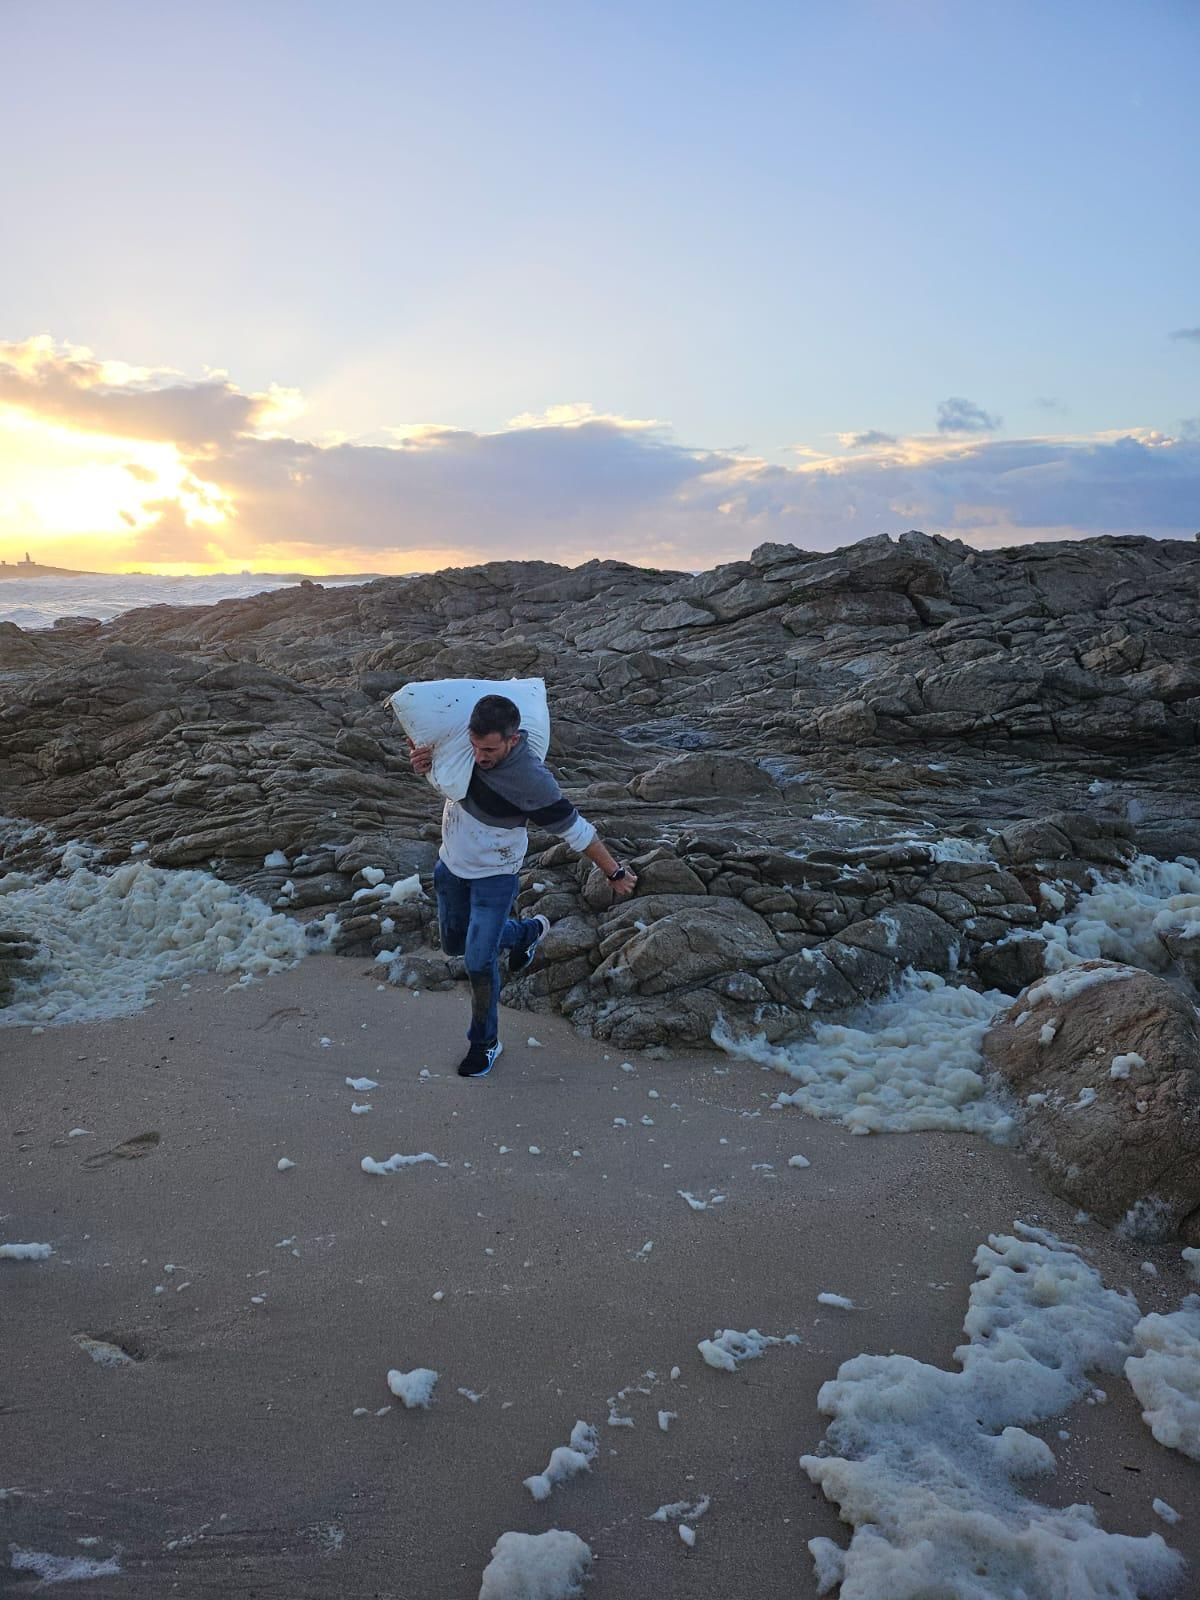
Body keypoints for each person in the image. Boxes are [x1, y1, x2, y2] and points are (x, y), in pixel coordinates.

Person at [409, 693, 637, 1077]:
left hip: (495, 876)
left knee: (478, 961)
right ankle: (526, 932)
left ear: (513, 740)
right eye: (476, 746)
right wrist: (423, 763)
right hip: (450, 867)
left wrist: (614, 873)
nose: (480, 756)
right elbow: (435, 763)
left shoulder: (530, 780)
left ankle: (484, 1043)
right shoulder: (460, 748)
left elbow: (578, 831)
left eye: (490, 749)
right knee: (453, 944)